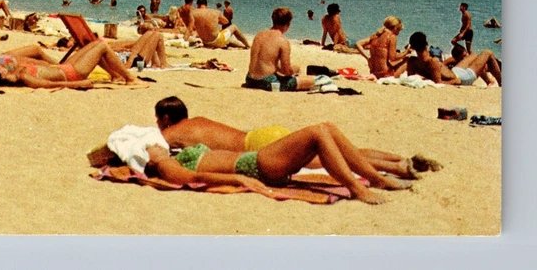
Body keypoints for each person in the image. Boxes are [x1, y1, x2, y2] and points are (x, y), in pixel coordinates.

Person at [153, 96, 431, 179]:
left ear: (166, 118)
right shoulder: (199, 120)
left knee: (323, 161)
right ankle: (399, 159)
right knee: (344, 150)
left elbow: (150, 148)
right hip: (261, 133)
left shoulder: (172, 132)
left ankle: (398, 169)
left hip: (260, 145)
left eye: (158, 119)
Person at [143, 122, 412, 204]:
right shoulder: (165, 166)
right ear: (151, 162)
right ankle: (359, 187)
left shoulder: (176, 153)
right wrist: (236, 179)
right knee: (319, 132)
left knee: (327, 129)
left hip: (261, 163)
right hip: (257, 165)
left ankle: (376, 178)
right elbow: (191, 179)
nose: (153, 147)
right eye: (150, 150)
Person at [0, 35, 141, 89]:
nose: (1, 67)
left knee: (95, 43)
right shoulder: (23, 77)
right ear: (1, 76)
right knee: (102, 46)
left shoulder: (16, 72)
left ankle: (116, 76)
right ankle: (129, 78)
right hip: (72, 74)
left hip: (64, 67)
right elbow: (49, 84)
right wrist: (79, 84)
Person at [244, 7, 314, 91]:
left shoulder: (259, 35)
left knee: (297, 68)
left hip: (250, 79)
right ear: (288, 23)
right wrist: (292, 74)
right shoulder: (282, 40)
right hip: (267, 82)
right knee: (314, 80)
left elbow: (265, 61)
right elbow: (286, 71)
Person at [407, 31, 501, 86]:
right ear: (426, 44)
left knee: (474, 55)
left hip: (455, 71)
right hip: (463, 78)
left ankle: (489, 82)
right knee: (487, 52)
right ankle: (501, 84)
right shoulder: (433, 61)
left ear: (413, 47)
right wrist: (455, 82)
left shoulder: (412, 61)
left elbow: (411, 79)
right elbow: (438, 84)